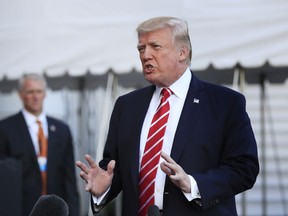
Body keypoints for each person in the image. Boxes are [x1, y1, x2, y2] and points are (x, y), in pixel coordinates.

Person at [76, 16, 259, 216]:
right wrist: (104, 188)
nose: (146, 55)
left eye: (155, 46)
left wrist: (193, 184)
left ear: (182, 52)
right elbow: (114, 168)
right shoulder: (126, 106)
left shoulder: (224, 103)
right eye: (141, 48)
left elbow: (244, 168)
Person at [0, 74, 79, 216]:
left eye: (39, 91)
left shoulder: (62, 129)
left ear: (45, 94)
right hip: (20, 209)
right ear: (21, 95)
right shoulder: (5, 129)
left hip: (56, 210)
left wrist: (74, 211)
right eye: (30, 92)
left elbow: (69, 179)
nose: (35, 96)